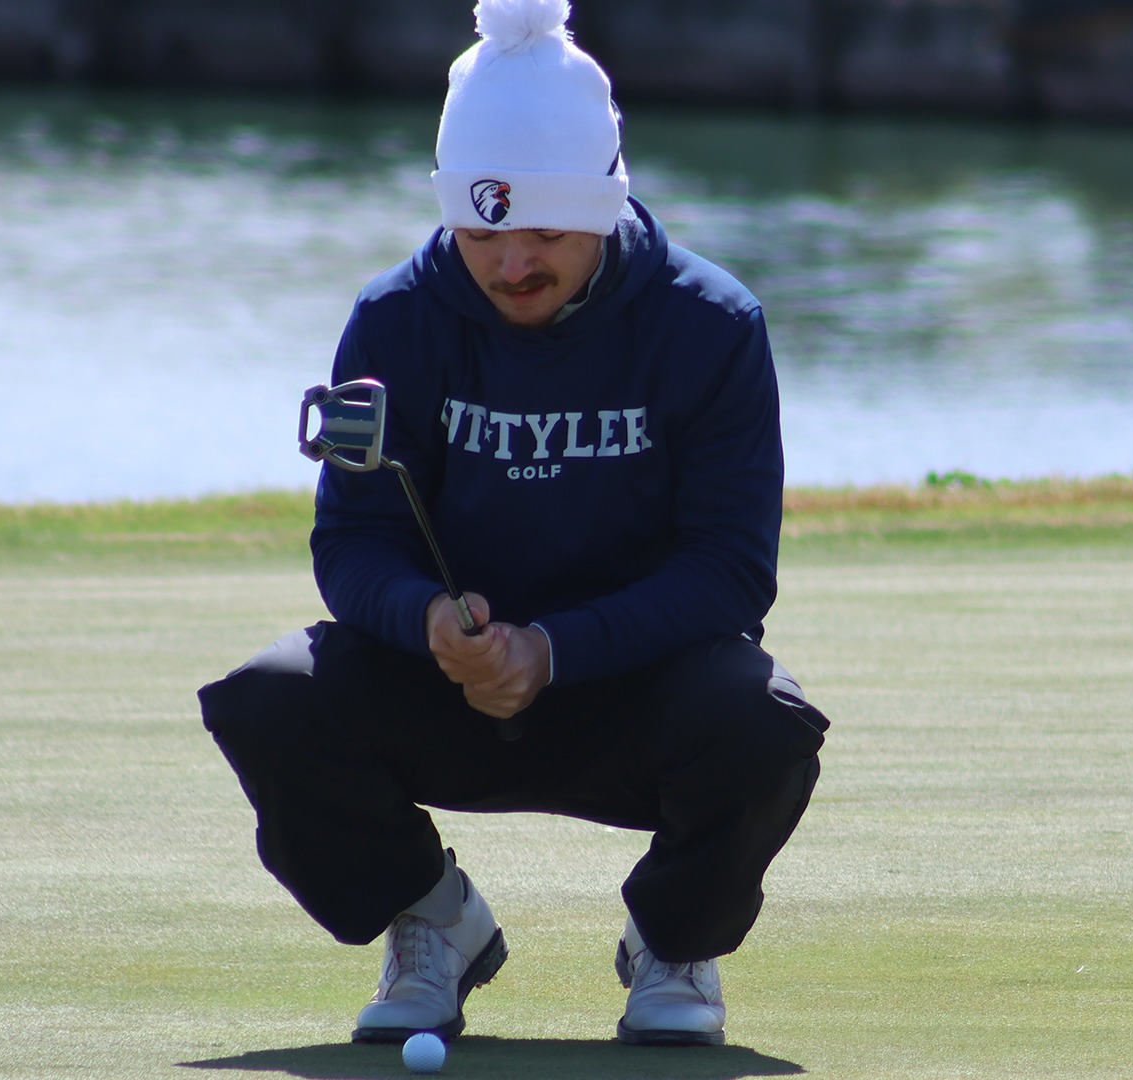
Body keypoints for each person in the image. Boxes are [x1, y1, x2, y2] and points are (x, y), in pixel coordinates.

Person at [197, 0, 828, 1048]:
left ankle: (674, 940)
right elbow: (351, 542)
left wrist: (556, 648)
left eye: (544, 231)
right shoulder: (394, 318)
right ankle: (432, 920)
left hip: (636, 690)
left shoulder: (712, 326)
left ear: (606, 205)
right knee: (271, 699)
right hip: (446, 682)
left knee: (763, 722)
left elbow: (730, 572)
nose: (512, 263)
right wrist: (426, 618)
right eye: (483, 231)